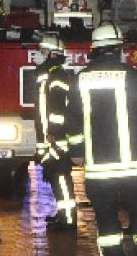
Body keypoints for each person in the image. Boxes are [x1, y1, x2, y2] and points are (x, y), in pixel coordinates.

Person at [66, 23, 137, 255]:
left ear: (95, 50)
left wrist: (76, 151)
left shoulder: (80, 80)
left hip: (99, 170)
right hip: (135, 168)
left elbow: (73, 120)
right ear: (120, 49)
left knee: (107, 221)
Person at [33, 32, 77, 230]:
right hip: (49, 138)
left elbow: (58, 107)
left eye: (42, 50)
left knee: (60, 178)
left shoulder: (56, 74)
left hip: (55, 139)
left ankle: (68, 220)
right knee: (54, 177)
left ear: (52, 53)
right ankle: (62, 214)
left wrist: (53, 132)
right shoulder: (47, 74)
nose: (38, 54)